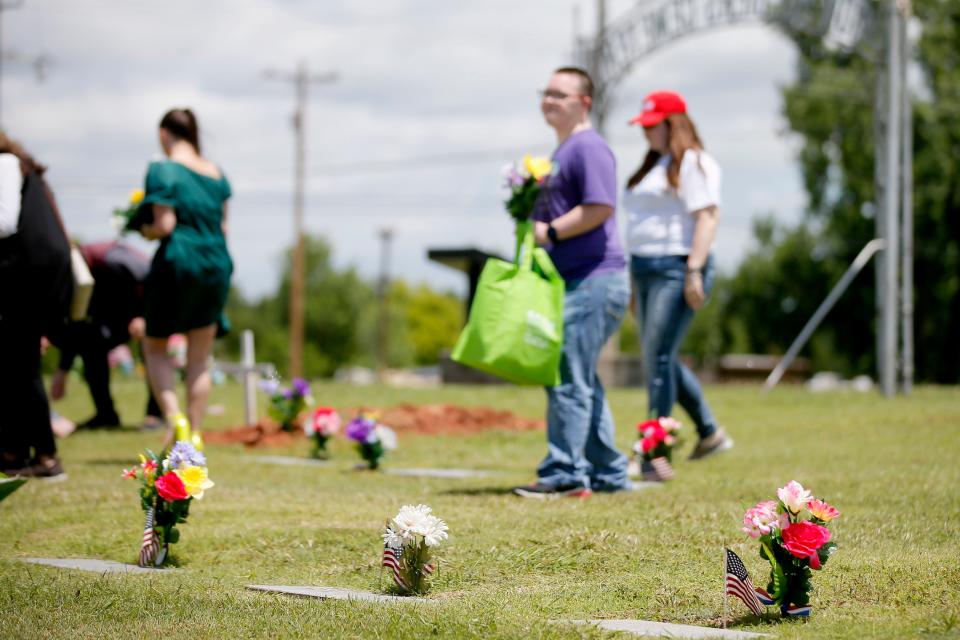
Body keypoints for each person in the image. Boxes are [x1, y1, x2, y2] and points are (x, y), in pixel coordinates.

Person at [512, 67, 631, 499]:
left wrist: (551, 232)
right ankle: (609, 473)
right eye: (545, 93)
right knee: (580, 378)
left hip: (594, 279)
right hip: (577, 281)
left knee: (566, 376)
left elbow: (600, 207)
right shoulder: (564, 151)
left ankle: (564, 473)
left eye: (559, 94)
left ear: (585, 101)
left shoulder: (589, 147)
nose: (549, 100)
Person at [622, 90, 733, 462]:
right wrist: (633, 284)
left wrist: (694, 272)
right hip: (644, 268)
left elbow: (706, 218)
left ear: (674, 124)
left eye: (652, 126)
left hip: (676, 267)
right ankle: (709, 433)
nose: (646, 133)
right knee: (661, 356)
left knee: (660, 359)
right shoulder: (654, 165)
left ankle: (655, 450)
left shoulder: (695, 163)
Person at [135, 108, 232, 447]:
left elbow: (165, 225)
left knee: (156, 347)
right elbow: (224, 227)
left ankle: (174, 417)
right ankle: (195, 433)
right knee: (199, 357)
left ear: (165, 134)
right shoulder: (217, 173)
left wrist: (143, 228)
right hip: (216, 264)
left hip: (178, 261)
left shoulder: (162, 169)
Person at [0, 133, 72, 479]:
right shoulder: (30, 173)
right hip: (45, 272)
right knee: (17, 362)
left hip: (27, 274)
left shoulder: (5, 164)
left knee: (21, 364)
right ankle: (15, 451)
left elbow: (3, 222)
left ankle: (45, 455)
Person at [48, 240, 163, 430]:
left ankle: (156, 414)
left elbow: (154, 280)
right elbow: (77, 326)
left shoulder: (112, 259)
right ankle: (106, 415)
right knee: (90, 345)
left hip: (149, 308)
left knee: (151, 348)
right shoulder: (76, 279)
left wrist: (144, 316)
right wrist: (63, 369)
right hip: (115, 319)